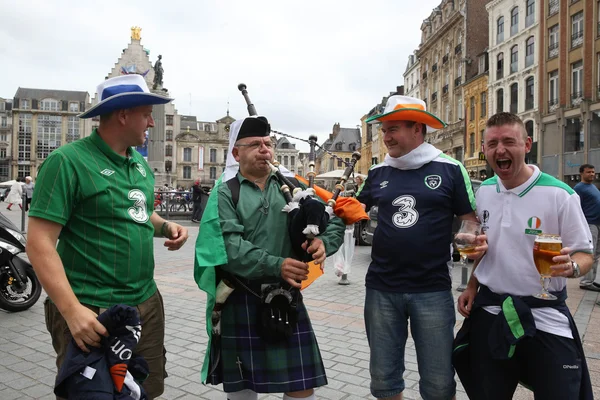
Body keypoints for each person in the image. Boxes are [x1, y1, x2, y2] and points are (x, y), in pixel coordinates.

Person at [26, 74, 189, 400]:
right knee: (92, 393)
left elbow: (138, 211)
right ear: (123, 114)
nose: (152, 124)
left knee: (144, 390)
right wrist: (72, 312)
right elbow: (39, 243)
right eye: (147, 114)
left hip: (146, 305)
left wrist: (167, 226)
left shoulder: (139, 165)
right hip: (91, 309)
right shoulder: (67, 162)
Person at [194, 115, 345, 400]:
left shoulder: (297, 186)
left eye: (268, 143)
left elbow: (333, 216)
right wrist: (277, 264)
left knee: (302, 387)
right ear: (236, 153)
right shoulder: (225, 193)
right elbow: (227, 246)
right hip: (241, 296)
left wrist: (325, 242)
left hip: (286, 296)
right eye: (255, 144)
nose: (265, 149)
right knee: (243, 388)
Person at [455, 112, 594, 399]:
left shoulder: (560, 194)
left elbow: (585, 253)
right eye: (492, 143)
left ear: (527, 144)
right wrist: (472, 285)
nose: (500, 150)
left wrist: (572, 267)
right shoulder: (485, 192)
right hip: (492, 309)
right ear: (484, 149)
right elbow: (484, 244)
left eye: (509, 141)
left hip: (544, 313)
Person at [357, 95, 483, 400]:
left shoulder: (451, 169)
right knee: (384, 381)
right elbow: (352, 211)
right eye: (384, 130)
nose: (385, 137)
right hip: (382, 289)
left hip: (433, 289)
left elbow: (470, 221)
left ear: (418, 129)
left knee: (439, 384)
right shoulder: (378, 173)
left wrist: (467, 241)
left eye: (393, 129)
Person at [573, 164, 600, 292]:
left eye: (593, 172)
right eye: (589, 172)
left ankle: (591, 280)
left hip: (597, 223)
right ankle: (585, 281)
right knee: (590, 253)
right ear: (581, 174)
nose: (592, 174)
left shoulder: (592, 186)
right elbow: (576, 207)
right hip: (589, 223)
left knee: (596, 254)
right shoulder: (579, 188)